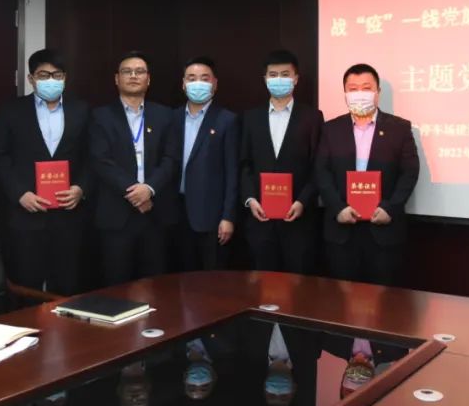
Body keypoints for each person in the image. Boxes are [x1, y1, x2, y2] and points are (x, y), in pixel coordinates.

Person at [0, 49, 90, 294]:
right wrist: (19, 193)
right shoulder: (11, 110)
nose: (51, 80)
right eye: (43, 75)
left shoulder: (81, 110)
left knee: (67, 286)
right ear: (31, 78)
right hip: (26, 213)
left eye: (57, 75)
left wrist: (81, 188)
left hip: (68, 215)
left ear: (65, 78)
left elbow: (91, 157)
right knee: (26, 285)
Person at [314, 63, 419, 286]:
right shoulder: (331, 129)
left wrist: (390, 208)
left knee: (384, 299)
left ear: (377, 92)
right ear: (345, 94)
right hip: (341, 230)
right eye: (353, 89)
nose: (359, 94)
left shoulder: (399, 128)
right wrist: (338, 207)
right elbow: (321, 171)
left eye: (366, 88)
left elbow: (409, 172)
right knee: (342, 298)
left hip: (384, 230)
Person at [89, 51, 180, 285]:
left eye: (139, 71)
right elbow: (100, 161)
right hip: (116, 214)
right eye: (127, 71)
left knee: (156, 285)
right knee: (116, 285)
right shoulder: (100, 116)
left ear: (148, 79)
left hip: (155, 213)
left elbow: (171, 159)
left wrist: (149, 189)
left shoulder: (165, 115)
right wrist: (135, 192)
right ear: (116, 79)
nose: (133, 76)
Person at [238, 50, 324, 274]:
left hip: (299, 221)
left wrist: (302, 201)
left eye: (285, 74)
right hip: (260, 219)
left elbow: (319, 167)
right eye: (273, 75)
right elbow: (244, 164)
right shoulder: (250, 118)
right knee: (263, 284)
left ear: (296, 78)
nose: (279, 80)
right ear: (265, 79)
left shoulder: (313, 118)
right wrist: (250, 199)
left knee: (298, 285)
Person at [169, 56, 239, 271]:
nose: (197, 83)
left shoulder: (227, 120)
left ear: (215, 84)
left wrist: (228, 216)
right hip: (175, 212)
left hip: (211, 216)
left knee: (211, 279)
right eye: (191, 78)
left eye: (204, 78)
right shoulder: (171, 118)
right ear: (183, 84)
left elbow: (232, 172)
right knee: (180, 278)